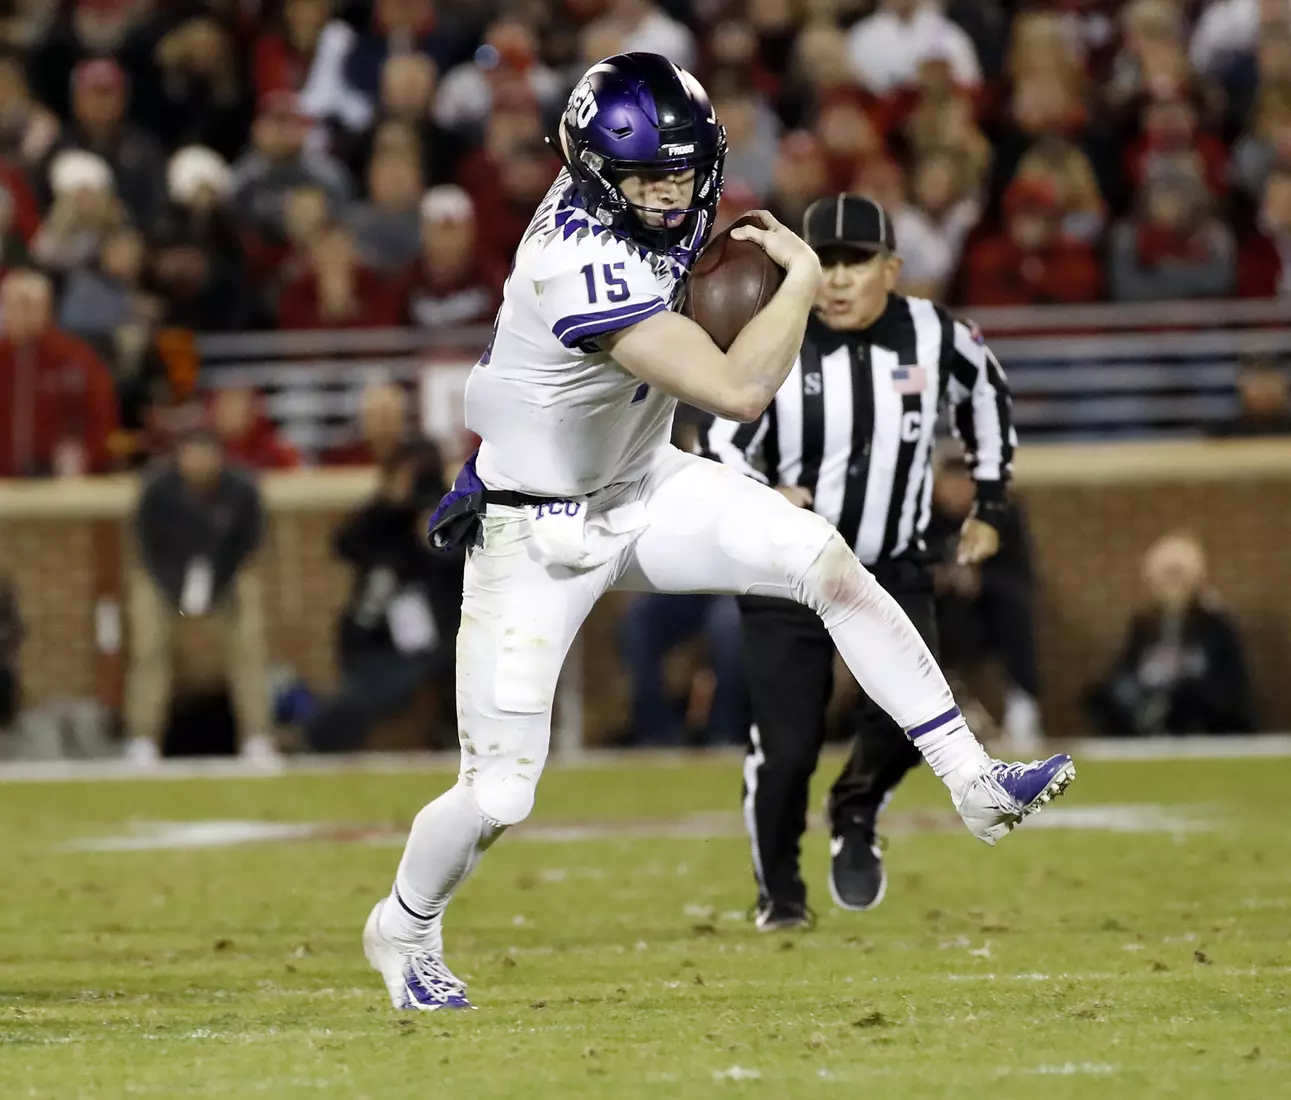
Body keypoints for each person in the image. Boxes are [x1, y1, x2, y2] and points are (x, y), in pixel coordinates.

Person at [362, 52, 1076, 1013]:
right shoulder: (572, 256)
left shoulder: (662, 198)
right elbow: (739, 389)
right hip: (534, 530)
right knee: (498, 797)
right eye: (646, 173)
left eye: (681, 167)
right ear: (588, 167)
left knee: (820, 555)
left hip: (642, 480)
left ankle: (972, 781)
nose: (670, 192)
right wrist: (801, 280)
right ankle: (403, 925)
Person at [701, 194, 1019, 926]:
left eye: (855, 262)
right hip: (784, 572)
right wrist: (762, 492)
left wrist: (990, 504)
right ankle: (779, 893)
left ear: (891, 269)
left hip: (890, 567)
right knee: (784, 748)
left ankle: (856, 807)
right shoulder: (770, 335)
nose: (838, 280)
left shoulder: (936, 336)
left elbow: (988, 400)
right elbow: (716, 439)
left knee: (914, 720)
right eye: (826, 263)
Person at [124, 425, 277, 768]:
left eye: (207, 453)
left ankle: (258, 737)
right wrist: (182, 593)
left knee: (249, 645)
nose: (199, 463)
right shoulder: (157, 490)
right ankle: (142, 739)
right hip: (163, 578)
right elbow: (148, 547)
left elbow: (248, 543)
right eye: (192, 454)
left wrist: (211, 589)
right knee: (148, 649)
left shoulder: (241, 490)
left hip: (224, 575)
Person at [306, 442, 463, 752]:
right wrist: (389, 504)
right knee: (358, 698)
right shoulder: (384, 519)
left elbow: (465, 569)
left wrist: (435, 535)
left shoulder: (452, 511)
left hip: (439, 641)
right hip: (377, 639)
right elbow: (345, 545)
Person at [1084, 533, 1256, 737]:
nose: (1172, 585)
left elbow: (1231, 686)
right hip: (1146, 712)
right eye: (1165, 576)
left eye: (1178, 575)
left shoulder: (1215, 627)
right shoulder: (1144, 627)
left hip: (1200, 722)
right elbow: (1124, 672)